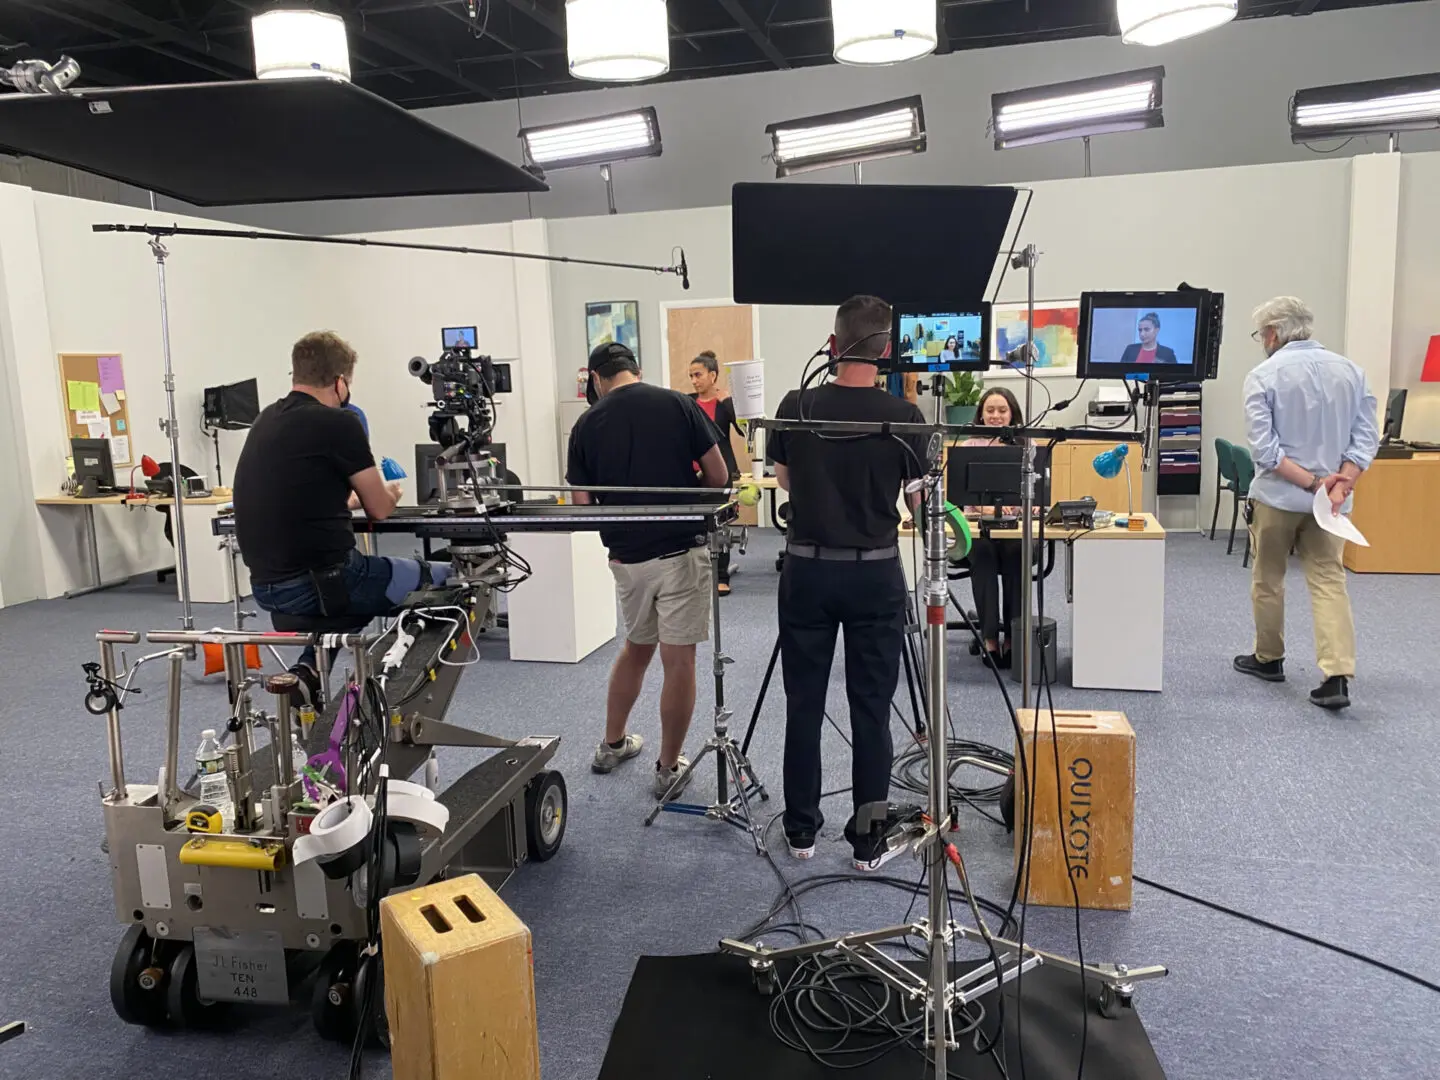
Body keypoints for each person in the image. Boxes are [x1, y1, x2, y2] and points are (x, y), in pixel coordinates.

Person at [771, 295, 927, 872]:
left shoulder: (795, 405)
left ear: (832, 345)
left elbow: (786, 483)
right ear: (888, 351)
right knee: (871, 709)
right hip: (875, 573)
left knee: (803, 705)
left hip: (808, 571)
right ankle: (867, 842)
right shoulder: (906, 416)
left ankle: (801, 834)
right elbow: (919, 501)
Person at [233, 331, 450, 705]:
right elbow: (380, 507)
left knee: (349, 603)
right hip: (325, 582)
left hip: (267, 587)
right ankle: (400, 705)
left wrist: (344, 503)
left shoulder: (266, 419)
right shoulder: (340, 423)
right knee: (449, 579)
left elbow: (299, 493)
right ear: (340, 382)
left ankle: (308, 671)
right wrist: (393, 493)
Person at [568, 342, 730, 798]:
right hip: (680, 551)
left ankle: (612, 743)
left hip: (626, 558)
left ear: (597, 380)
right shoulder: (679, 403)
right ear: (635, 370)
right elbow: (719, 478)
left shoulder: (584, 425)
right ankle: (666, 768)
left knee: (636, 647)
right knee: (679, 660)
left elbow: (582, 507)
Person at [1233, 296, 1378, 710]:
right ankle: (1336, 676)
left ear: (1273, 333)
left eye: (1262, 334)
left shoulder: (1263, 375)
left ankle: (1269, 658)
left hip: (1279, 498)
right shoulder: (1352, 372)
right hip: (1331, 505)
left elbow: (1266, 451)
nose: (1262, 341)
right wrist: (1339, 485)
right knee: (1329, 581)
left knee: (1268, 579)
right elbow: (1366, 439)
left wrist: (1315, 482)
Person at [961, 387, 1028, 668]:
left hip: (1014, 531)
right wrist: (982, 508)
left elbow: (1036, 498)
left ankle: (1013, 638)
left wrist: (1011, 508)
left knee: (1015, 552)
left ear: (1012, 414)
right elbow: (959, 498)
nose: (996, 416)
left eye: (1002, 410)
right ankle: (989, 638)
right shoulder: (967, 448)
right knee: (984, 553)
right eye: (990, 410)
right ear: (981, 415)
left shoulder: (1026, 447)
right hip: (980, 533)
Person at [688, 350, 747, 595]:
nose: (694, 380)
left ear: (713, 375)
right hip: (691, 473)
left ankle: (722, 576)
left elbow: (745, 431)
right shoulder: (688, 402)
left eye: (698, 374)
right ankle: (696, 575)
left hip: (721, 472)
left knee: (718, 525)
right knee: (694, 525)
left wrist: (730, 403)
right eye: (691, 376)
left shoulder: (724, 404)